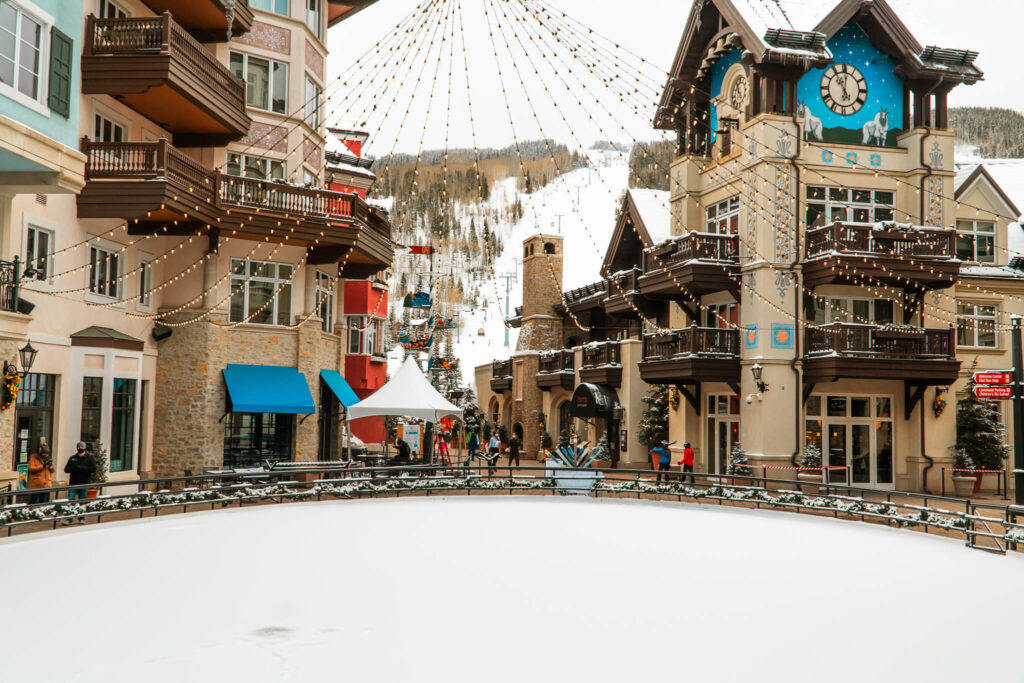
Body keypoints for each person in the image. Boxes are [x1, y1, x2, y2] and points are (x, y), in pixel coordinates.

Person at [63, 442, 96, 524]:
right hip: (73, 483)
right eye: (78, 447)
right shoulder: (73, 458)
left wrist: (82, 468)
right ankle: (69, 519)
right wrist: (74, 468)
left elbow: (93, 469)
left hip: (84, 483)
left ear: (84, 448)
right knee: (71, 501)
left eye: (81, 447)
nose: (80, 448)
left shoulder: (89, 458)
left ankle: (81, 518)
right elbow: (66, 469)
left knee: (82, 501)